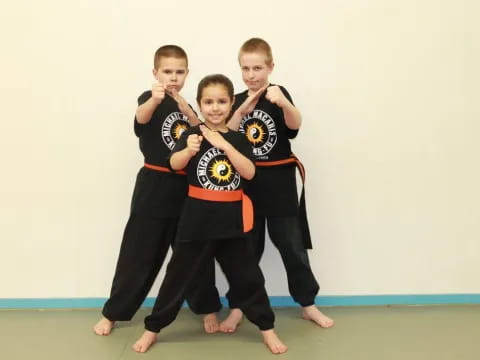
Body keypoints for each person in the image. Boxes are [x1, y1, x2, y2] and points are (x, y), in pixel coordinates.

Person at [132, 74, 288, 355]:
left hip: (232, 221)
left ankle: (268, 329)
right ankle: (152, 329)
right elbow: (172, 164)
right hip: (196, 220)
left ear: (230, 104)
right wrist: (188, 152)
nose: (215, 108)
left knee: (249, 278)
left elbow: (250, 172)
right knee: (176, 277)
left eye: (221, 102)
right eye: (209, 102)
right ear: (200, 105)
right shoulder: (191, 135)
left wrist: (225, 145)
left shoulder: (239, 139)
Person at [93, 45, 215, 336]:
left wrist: (190, 112)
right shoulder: (150, 99)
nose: (173, 77)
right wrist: (154, 99)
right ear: (155, 73)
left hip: (186, 186)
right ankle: (114, 313)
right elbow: (141, 120)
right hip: (154, 185)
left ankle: (207, 307)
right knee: (139, 253)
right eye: (167, 71)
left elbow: (207, 134)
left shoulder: (187, 106)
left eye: (179, 71)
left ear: (186, 73)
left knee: (194, 251)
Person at [218, 38, 335, 332]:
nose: (251, 74)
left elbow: (295, 126)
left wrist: (283, 102)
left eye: (257, 67)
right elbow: (228, 132)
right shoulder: (237, 98)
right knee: (245, 249)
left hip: (280, 183)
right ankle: (237, 306)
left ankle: (307, 304)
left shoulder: (279, 94)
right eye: (246, 68)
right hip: (248, 184)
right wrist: (244, 105)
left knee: (292, 246)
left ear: (270, 67)